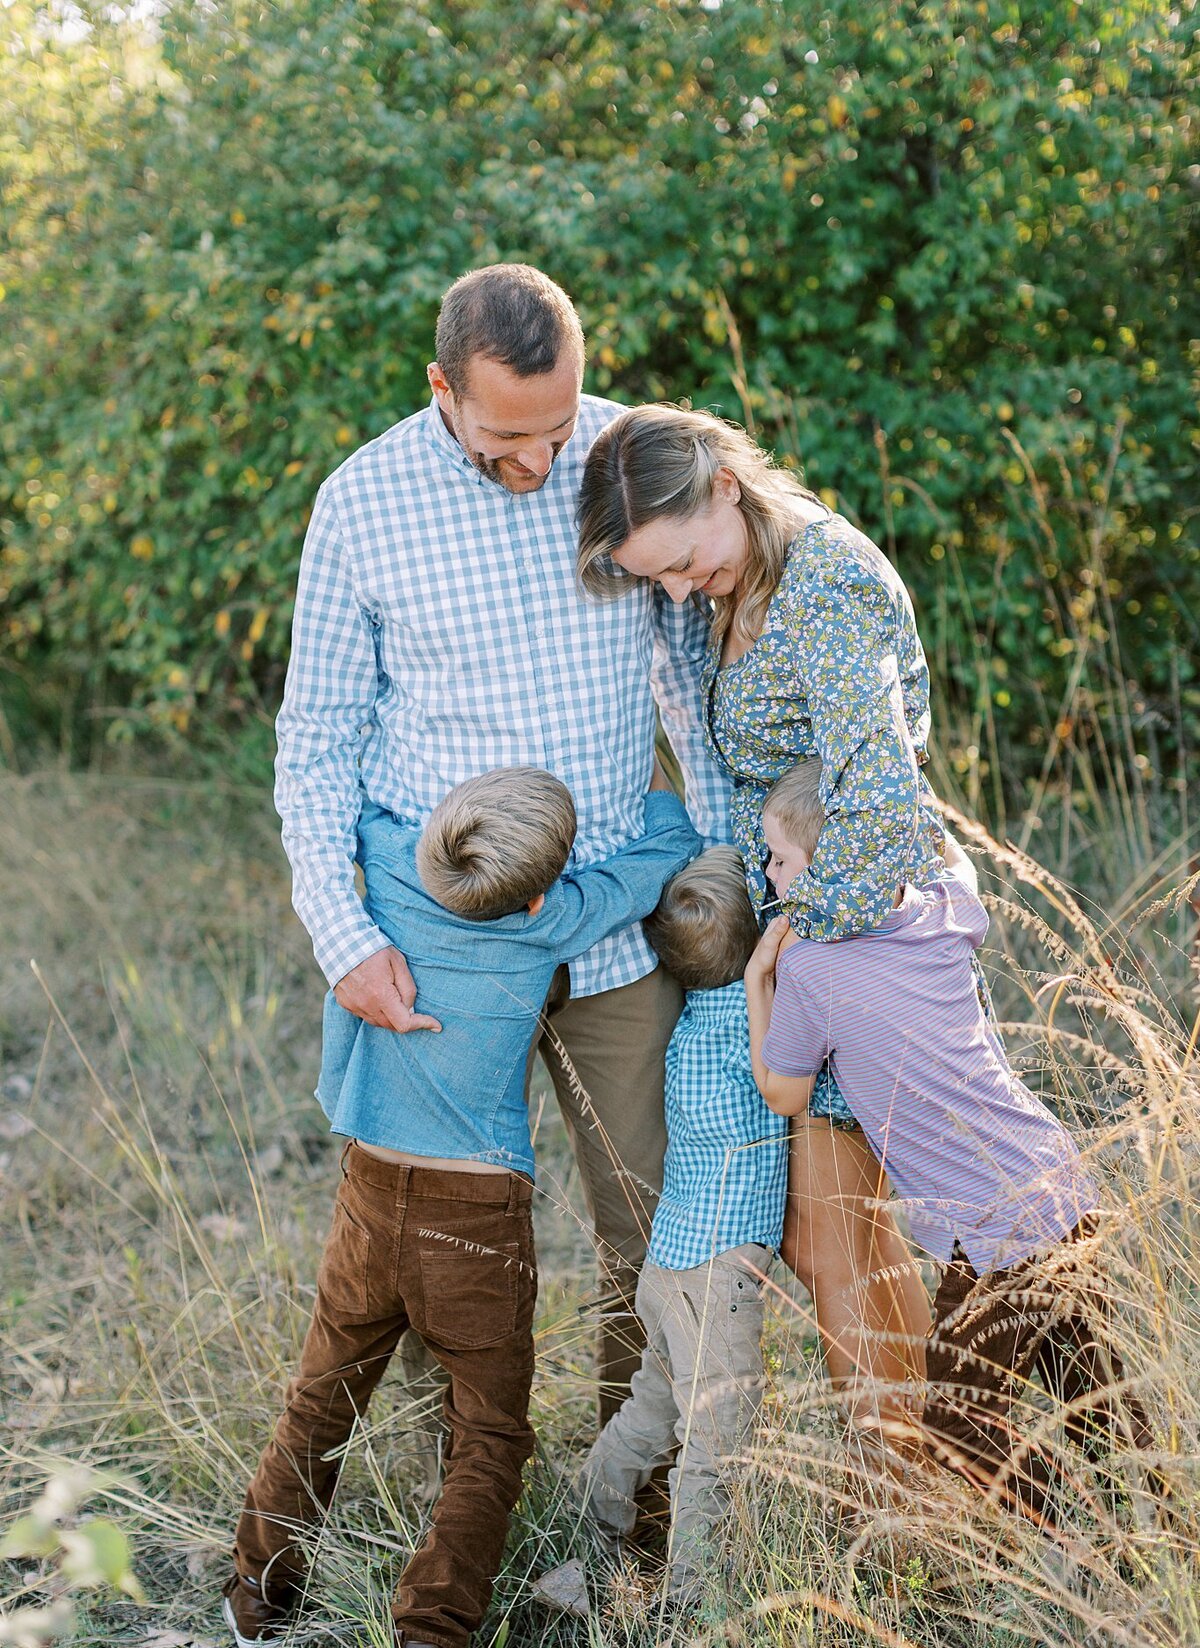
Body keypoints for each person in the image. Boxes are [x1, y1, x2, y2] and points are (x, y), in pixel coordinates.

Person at [275, 264, 729, 1434]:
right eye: (505, 436)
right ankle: (462, 1507)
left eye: (558, 425)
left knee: (654, 1216)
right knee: (444, 1232)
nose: (540, 462)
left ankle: (636, 1516)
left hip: (616, 921)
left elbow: (698, 676)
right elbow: (317, 737)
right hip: (443, 936)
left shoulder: (628, 459)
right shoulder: (363, 502)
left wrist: (732, 863)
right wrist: (343, 933)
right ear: (442, 387)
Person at [224, 766, 701, 1648]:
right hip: (474, 1220)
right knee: (489, 1434)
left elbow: (343, 808)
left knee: (324, 1392)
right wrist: (654, 797)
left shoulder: (395, 864)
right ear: (536, 890)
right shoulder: (548, 918)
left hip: (369, 1197)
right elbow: (657, 860)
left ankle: (257, 1593)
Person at [576, 404, 941, 1420]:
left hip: (848, 940)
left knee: (838, 1237)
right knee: (820, 1235)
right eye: (663, 579)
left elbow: (880, 806)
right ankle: (910, 1474)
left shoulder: (826, 585)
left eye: (688, 561)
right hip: (783, 950)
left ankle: (908, 1500)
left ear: (725, 486)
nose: (685, 589)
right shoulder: (727, 590)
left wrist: (792, 964)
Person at [745, 759, 1156, 1518]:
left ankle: (1079, 1550)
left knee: (959, 1430)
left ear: (830, 868)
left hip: (998, 1224)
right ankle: (1157, 1530)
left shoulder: (809, 969)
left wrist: (756, 979)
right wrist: (911, 813)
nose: (767, 873)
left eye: (778, 858)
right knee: (1087, 1387)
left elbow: (785, 1091)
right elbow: (957, 862)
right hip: (1056, 1179)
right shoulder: (941, 911)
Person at [573, 847, 788, 1600]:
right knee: (715, 1435)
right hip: (715, 1273)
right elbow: (788, 1088)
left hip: (669, 1264)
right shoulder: (754, 1030)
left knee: (650, 1409)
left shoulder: (688, 1030)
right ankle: (698, 1591)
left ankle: (591, 1532)